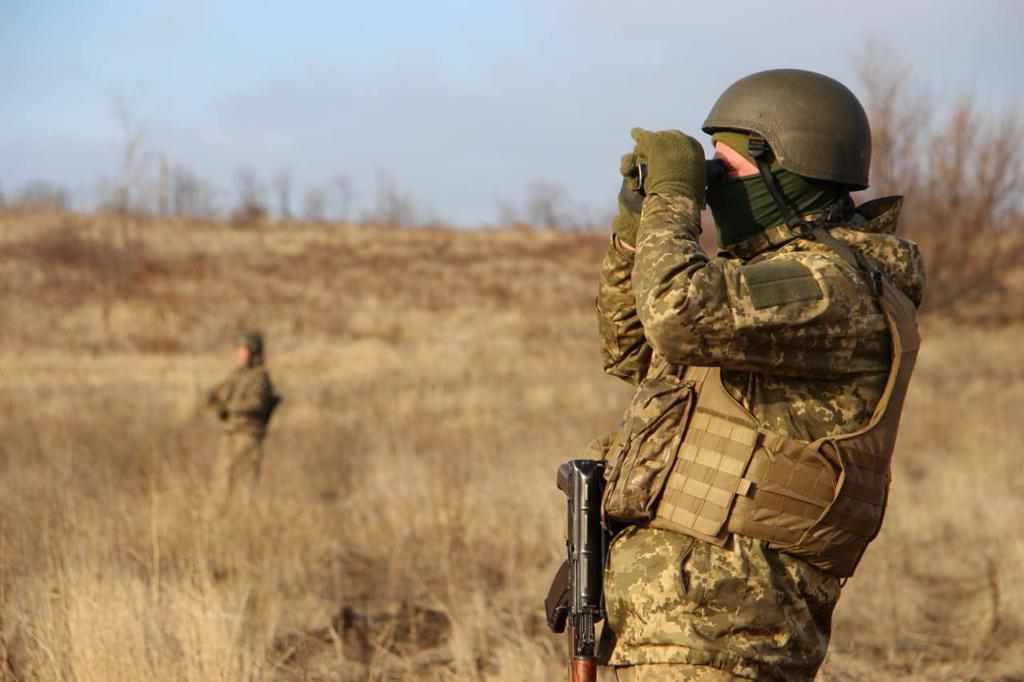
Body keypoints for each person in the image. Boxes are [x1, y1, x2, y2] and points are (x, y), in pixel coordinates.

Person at [594, 69, 926, 681]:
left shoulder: (832, 286)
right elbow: (633, 350)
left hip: (730, 635)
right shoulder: (761, 288)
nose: (713, 192)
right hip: (667, 630)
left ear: (789, 173)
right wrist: (636, 223)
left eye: (726, 171)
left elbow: (673, 316)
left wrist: (674, 197)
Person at [206, 331, 281, 513]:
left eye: (243, 350)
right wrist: (213, 401)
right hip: (230, 432)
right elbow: (217, 392)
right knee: (221, 479)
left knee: (245, 482)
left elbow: (256, 403)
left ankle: (243, 518)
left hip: (248, 435)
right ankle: (217, 516)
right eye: (238, 350)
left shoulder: (260, 378)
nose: (239, 354)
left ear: (253, 353)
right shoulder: (236, 375)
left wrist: (230, 407)